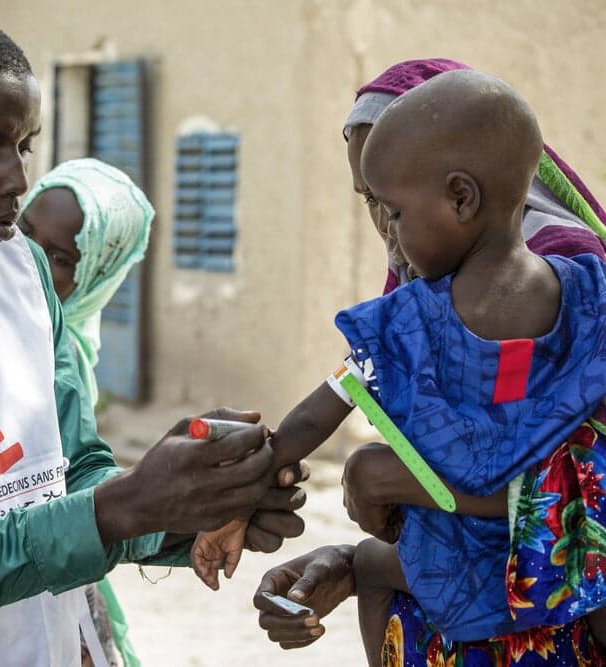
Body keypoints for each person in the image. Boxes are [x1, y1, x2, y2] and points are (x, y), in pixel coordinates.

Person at [0, 9, 306, 667]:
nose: (16, 179)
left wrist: (185, 507)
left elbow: (73, 471)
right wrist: (123, 507)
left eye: (25, 146)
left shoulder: (19, 267)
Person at [244, 70, 606, 665]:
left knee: (376, 575)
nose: (386, 231)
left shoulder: (410, 321)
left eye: (392, 210)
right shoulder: (586, 294)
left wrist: (269, 462)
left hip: (454, 582)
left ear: (461, 197)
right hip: (551, 588)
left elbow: (333, 397)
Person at [20, 158, 155, 666]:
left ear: (98, 275)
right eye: (24, 231)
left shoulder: (64, 352)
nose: (30, 258)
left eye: (58, 257)